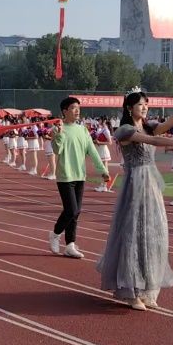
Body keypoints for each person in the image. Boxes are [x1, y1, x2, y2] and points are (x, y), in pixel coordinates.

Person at [97, 89, 173, 310]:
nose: (144, 107)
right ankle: (131, 292)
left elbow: (167, 124)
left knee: (152, 234)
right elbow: (154, 140)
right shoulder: (124, 130)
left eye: (146, 104)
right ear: (129, 108)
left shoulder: (148, 125)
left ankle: (147, 289)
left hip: (151, 186)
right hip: (135, 185)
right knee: (133, 235)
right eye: (140, 104)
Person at [48, 97, 110, 259]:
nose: (77, 111)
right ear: (64, 111)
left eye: (78, 108)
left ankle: (70, 245)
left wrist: (102, 170)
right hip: (65, 176)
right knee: (71, 210)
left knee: (76, 213)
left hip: (80, 175)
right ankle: (55, 234)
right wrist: (59, 134)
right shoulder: (57, 129)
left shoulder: (82, 130)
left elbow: (92, 151)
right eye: (73, 108)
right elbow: (57, 150)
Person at [93, 119, 113, 192]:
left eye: (100, 120)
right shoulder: (101, 130)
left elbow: (110, 142)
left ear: (103, 121)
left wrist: (99, 142)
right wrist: (94, 141)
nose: (98, 122)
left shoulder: (106, 131)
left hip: (103, 151)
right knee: (102, 169)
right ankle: (102, 185)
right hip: (99, 150)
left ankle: (104, 186)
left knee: (104, 169)